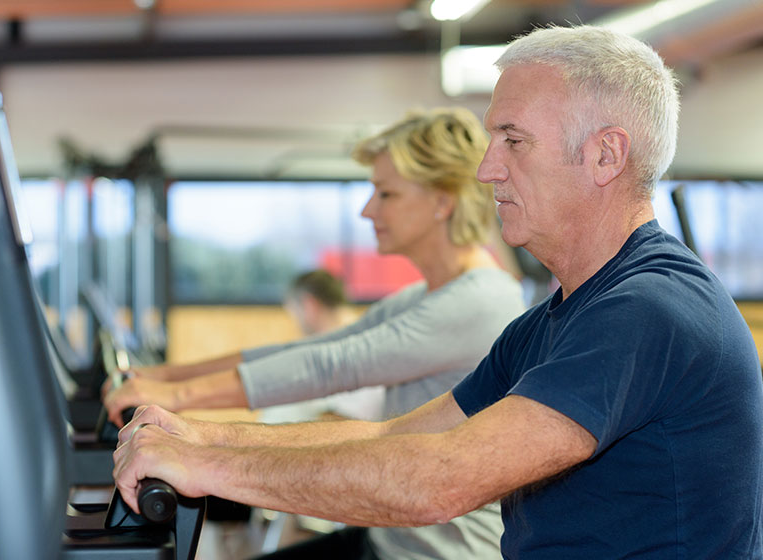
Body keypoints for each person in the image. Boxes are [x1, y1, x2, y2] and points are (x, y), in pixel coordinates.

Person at [115, 24, 763, 553]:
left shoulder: (648, 310)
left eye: (513, 141)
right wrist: (202, 437)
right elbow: (396, 439)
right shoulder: (550, 322)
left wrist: (209, 469)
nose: (487, 169)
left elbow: (440, 481)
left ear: (605, 155)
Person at [107, 107, 527, 558]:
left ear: (442, 201)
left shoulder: (480, 299)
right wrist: (164, 379)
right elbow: (313, 346)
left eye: (386, 193)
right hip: (392, 539)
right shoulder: (425, 295)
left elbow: (333, 365)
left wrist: (180, 401)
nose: (368, 209)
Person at [264, 269, 385, 424]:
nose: (294, 321)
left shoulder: (356, 347)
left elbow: (347, 421)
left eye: (293, 312)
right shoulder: (359, 338)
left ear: (309, 305)